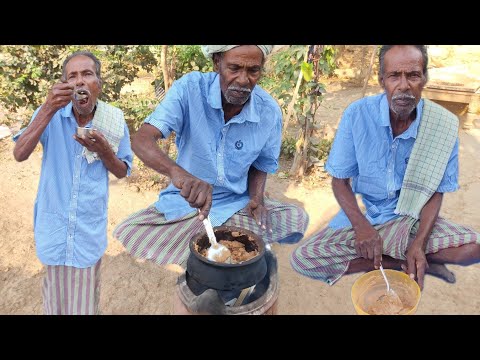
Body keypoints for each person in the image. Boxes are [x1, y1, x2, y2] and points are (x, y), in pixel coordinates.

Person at [291, 45, 480, 290]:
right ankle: (397, 262)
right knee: (303, 259)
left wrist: (419, 244)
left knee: (473, 248)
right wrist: (362, 228)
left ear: (424, 78)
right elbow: (340, 182)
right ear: (382, 80)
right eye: (394, 76)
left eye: (412, 75)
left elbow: (436, 191)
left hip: (412, 217)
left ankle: (412, 255)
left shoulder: (442, 125)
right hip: (370, 215)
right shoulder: (357, 115)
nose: (403, 85)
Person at [113, 45, 308, 268]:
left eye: (253, 71)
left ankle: (206, 249)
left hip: (237, 204)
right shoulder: (190, 89)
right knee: (129, 230)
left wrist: (257, 199)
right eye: (234, 68)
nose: (243, 80)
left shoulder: (269, 111)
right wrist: (182, 176)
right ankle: (215, 248)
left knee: (296, 217)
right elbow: (142, 139)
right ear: (217, 63)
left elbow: (261, 163)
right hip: (188, 204)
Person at [13, 51, 133, 314]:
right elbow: (19, 153)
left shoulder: (113, 119)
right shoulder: (51, 114)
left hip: (86, 232)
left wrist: (104, 151)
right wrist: (47, 107)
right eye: (73, 76)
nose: (80, 81)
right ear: (65, 85)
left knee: (84, 305)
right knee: (54, 304)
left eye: (87, 74)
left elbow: (122, 171)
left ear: (98, 84)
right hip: (54, 228)